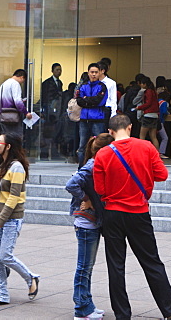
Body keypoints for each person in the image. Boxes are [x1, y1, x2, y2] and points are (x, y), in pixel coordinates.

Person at [94, 114, 171, 320]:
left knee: (115, 266)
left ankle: (122, 314)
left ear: (110, 132)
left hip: (113, 213)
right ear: (129, 127)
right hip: (138, 212)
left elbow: (100, 189)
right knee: (152, 262)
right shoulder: (145, 147)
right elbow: (162, 175)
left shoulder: (102, 154)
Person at [0, 132, 39, 307]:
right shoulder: (3, 165)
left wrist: (1, 219)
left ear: (8, 146)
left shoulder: (16, 167)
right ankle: (2, 294)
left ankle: (30, 277)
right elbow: (2, 192)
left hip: (11, 218)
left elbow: (14, 197)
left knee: (5, 255)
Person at [66, 132, 112, 320]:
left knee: (87, 266)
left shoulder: (95, 164)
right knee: (84, 267)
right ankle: (81, 308)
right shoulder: (92, 165)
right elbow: (71, 184)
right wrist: (87, 199)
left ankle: (87, 303)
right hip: (86, 223)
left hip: (91, 222)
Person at [76, 63, 109, 166]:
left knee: (99, 145)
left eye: (96, 72)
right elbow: (79, 101)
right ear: (88, 73)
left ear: (100, 73)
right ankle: (81, 168)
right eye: (92, 72)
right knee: (82, 146)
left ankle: (99, 166)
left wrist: (87, 99)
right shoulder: (83, 86)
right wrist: (90, 101)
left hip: (97, 119)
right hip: (84, 120)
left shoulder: (102, 86)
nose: (94, 74)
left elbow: (100, 101)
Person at [0, 69, 29, 139]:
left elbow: (0, 101)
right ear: (22, 77)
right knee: (16, 138)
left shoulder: (3, 84)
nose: (22, 83)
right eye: (23, 81)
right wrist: (26, 112)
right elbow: (17, 101)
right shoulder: (15, 84)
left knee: (6, 138)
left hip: (3, 116)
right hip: (13, 117)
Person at [136, 76, 160, 151]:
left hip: (148, 115)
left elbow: (148, 103)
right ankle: (157, 154)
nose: (141, 85)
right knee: (153, 136)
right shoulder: (154, 91)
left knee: (142, 136)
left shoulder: (148, 91)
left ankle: (142, 153)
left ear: (145, 84)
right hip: (155, 115)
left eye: (142, 84)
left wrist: (139, 108)